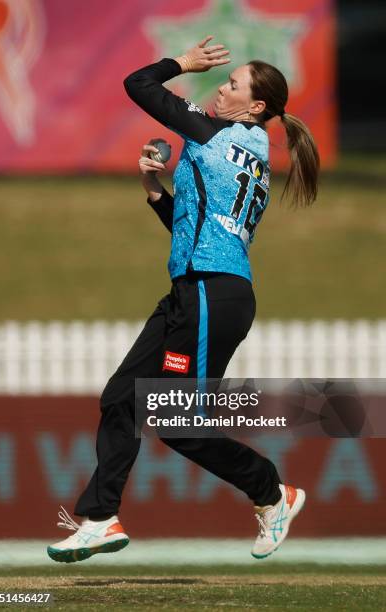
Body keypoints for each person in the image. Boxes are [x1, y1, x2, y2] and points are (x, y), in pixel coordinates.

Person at [47, 35, 319, 564]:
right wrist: (156, 190)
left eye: (233, 84)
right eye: (222, 77)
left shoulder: (218, 134)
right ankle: (100, 519)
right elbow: (194, 231)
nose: (220, 87)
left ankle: (271, 491)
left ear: (256, 107)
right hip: (196, 289)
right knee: (120, 398)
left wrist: (183, 63)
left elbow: (138, 84)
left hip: (212, 294)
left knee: (176, 421)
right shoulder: (243, 148)